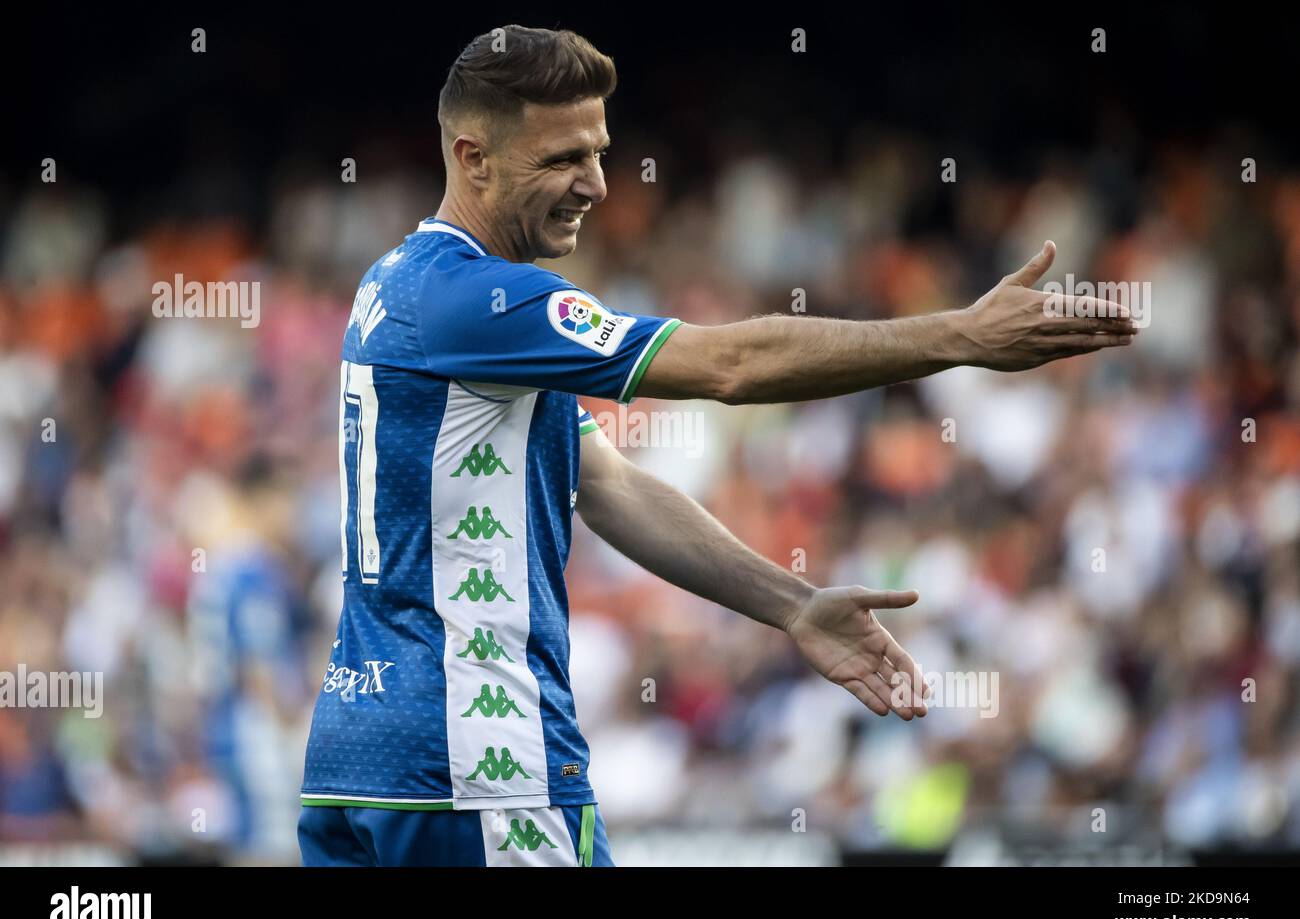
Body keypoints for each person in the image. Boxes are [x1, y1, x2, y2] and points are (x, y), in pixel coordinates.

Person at [298, 24, 1136, 867]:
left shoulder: (397, 282)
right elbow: (733, 363)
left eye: (598, 152)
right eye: (561, 159)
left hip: (358, 759)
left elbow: (610, 484)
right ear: (473, 157)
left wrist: (793, 604)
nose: (594, 184)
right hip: (475, 760)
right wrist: (958, 336)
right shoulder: (482, 300)